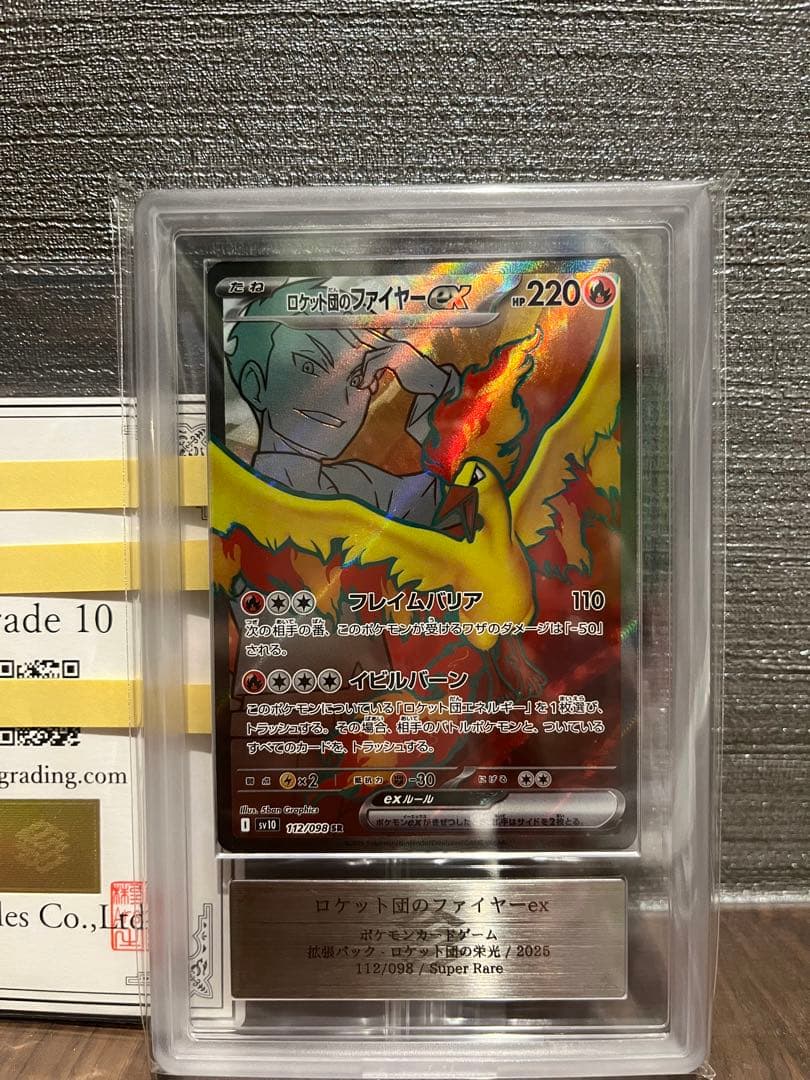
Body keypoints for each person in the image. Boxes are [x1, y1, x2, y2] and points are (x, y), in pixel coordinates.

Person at [225, 279, 460, 523]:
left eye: (357, 379)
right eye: (310, 367)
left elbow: (464, 496)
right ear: (255, 383)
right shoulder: (231, 489)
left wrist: (437, 384)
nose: (340, 397)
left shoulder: (364, 489)